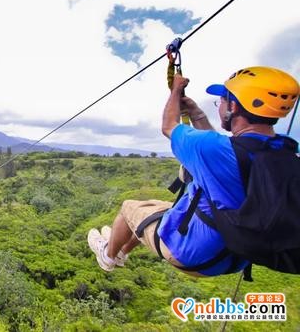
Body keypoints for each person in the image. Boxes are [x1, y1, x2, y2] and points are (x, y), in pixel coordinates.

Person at [88, 66, 299, 276]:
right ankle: (123, 250)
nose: (220, 105)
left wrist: (175, 91)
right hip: (235, 256)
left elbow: (169, 126)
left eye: (222, 101)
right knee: (157, 207)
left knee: (128, 207)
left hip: (194, 253)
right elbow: (227, 153)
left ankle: (108, 255)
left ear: (233, 106)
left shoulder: (213, 148)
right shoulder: (283, 151)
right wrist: (196, 114)